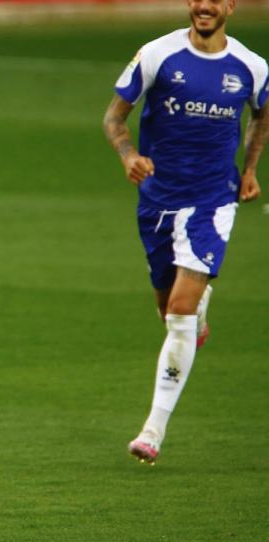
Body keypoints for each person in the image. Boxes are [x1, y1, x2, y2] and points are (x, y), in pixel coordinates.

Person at [102, 0, 268, 464]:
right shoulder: (157, 54)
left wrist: (250, 169)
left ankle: (152, 431)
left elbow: (262, 114)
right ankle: (194, 317)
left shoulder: (251, 67)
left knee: (178, 312)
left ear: (230, 6)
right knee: (167, 309)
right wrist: (128, 156)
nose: (204, 5)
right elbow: (114, 117)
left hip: (213, 202)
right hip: (157, 200)